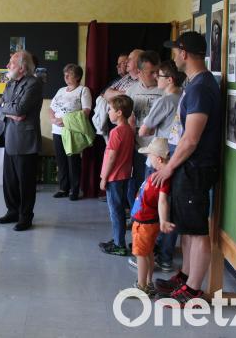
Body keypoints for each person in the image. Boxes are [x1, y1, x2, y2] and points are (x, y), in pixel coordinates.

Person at [151, 31, 221, 306]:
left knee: (197, 230)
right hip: (187, 166)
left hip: (195, 166)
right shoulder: (196, 83)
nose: (173, 56)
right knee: (187, 228)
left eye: (175, 50)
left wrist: (168, 169)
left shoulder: (202, 87)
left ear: (184, 53)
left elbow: (191, 139)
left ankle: (194, 290)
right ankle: (186, 276)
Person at [128, 59, 185, 272]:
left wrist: (146, 128)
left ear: (169, 79)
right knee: (168, 206)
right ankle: (166, 256)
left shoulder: (165, 100)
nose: (154, 78)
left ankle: (151, 252)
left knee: (152, 207)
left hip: (159, 156)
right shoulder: (184, 97)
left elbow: (144, 130)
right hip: (175, 158)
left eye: (158, 75)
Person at [0, 50, 44, 231]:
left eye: (11, 63)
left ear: (22, 67)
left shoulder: (34, 83)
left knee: (25, 183)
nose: (7, 66)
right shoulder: (10, 83)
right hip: (9, 137)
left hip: (26, 141)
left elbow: (20, 109)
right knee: (10, 181)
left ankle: (25, 217)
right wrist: (9, 112)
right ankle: (12, 211)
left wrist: (9, 110)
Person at [127, 138, 172, 296]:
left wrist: (164, 220)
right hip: (145, 221)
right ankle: (148, 282)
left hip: (145, 223)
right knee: (148, 253)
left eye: (149, 156)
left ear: (158, 159)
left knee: (141, 254)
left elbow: (162, 201)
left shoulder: (163, 179)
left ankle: (142, 286)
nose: (148, 159)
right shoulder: (158, 174)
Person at [124, 51, 163, 206]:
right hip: (137, 148)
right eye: (151, 72)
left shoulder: (165, 89)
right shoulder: (130, 91)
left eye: (157, 71)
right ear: (139, 72)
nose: (156, 76)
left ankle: (151, 223)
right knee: (135, 184)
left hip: (159, 151)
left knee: (154, 188)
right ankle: (136, 219)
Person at [48, 64, 92, 201]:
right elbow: (51, 108)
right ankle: (63, 188)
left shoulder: (83, 90)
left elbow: (86, 111)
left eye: (70, 74)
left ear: (78, 76)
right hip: (57, 130)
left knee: (73, 161)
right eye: (65, 74)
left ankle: (74, 190)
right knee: (61, 161)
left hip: (72, 131)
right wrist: (53, 119)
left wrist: (65, 121)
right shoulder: (61, 90)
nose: (66, 77)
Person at [99, 95, 134, 256]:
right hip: (124, 175)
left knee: (115, 211)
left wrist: (104, 177)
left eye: (110, 110)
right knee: (119, 209)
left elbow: (112, 157)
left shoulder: (116, 132)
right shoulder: (129, 129)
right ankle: (117, 238)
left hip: (114, 177)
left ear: (119, 112)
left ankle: (119, 244)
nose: (108, 112)